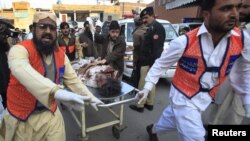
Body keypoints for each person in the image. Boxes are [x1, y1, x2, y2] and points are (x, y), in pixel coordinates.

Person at [135, 0, 250, 141]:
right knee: (195, 136)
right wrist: (146, 88)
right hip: (182, 96)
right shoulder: (184, 42)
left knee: (171, 120)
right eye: (226, 8)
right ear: (206, 14)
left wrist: (247, 101)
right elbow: (160, 64)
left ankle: (153, 129)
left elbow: (243, 73)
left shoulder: (243, 40)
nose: (234, 14)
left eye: (237, 7)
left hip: (205, 97)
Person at [0, 12, 103, 141]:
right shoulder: (20, 50)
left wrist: (90, 97)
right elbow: (22, 70)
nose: (48, 31)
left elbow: (74, 81)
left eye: (52, 28)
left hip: (50, 114)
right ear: (34, 28)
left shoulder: (60, 55)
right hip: (21, 119)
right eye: (43, 26)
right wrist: (56, 92)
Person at [204, 0, 250, 125]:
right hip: (223, 83)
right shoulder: (230, 27)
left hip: (240, 85)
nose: (239, 11)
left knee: (233, 118)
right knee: (216, 114)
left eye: (245, 7)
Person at [129, 7, 166, 113]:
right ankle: (149, 103)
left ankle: (139, 105)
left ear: (152, 15)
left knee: (142, 83)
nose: (144, 20)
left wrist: (152, 65)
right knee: (151, 82)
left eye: (146, 17)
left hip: (148, 62)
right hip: (147, 60)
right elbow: (148, 46)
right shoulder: (151, 27)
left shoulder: (157, 28)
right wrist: (135, 48)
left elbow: (157, 49)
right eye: (143, 18)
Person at [0, 17, 14, 109]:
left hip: (2, 65)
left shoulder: (2, 36)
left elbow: (6, 48)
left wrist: (4, 39)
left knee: (5, 88)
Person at [131, 16, 148, 88]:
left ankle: (137, 91)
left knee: (138, 76)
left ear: (135, 24)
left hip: (139, 58)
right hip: (148, 57)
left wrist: (134, 62)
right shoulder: (148, 29)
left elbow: (136, 47)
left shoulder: (136, 33)